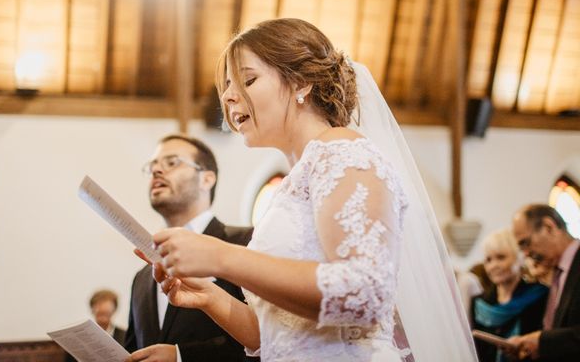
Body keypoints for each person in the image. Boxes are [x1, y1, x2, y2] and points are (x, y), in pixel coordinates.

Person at [137, 18, 476, 361]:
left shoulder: (343, 153)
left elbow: (365, 292)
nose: (227, 96)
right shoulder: (292, 185)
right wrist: (210, 296)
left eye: (248, 80)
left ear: (301, 83)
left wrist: (221, 257)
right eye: (226, 86)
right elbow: (275, 333)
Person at [124, 134, 253, 362]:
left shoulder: (245, 241)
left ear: (207, 179)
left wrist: (181, 356)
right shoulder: (142, 278)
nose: (157, 171)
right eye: (152, 166)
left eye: (171, 162)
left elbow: (270, 336)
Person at [509, 204, 580, 361]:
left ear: (549, 227)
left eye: (526, 243)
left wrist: (542, 342)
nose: (526, 254)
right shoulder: (556, 273)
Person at [471, 229, 548, 362]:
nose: (493, 266)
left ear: (519, 258)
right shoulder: (479, 303)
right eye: (488, 260)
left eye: (501, 257)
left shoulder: (540, 295)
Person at [65, 290, 126, 362]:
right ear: (92, 310)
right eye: (100, 311)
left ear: (114, 310)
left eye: (106, 312)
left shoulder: (125, 336)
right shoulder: (78, 336)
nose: (102, 309)